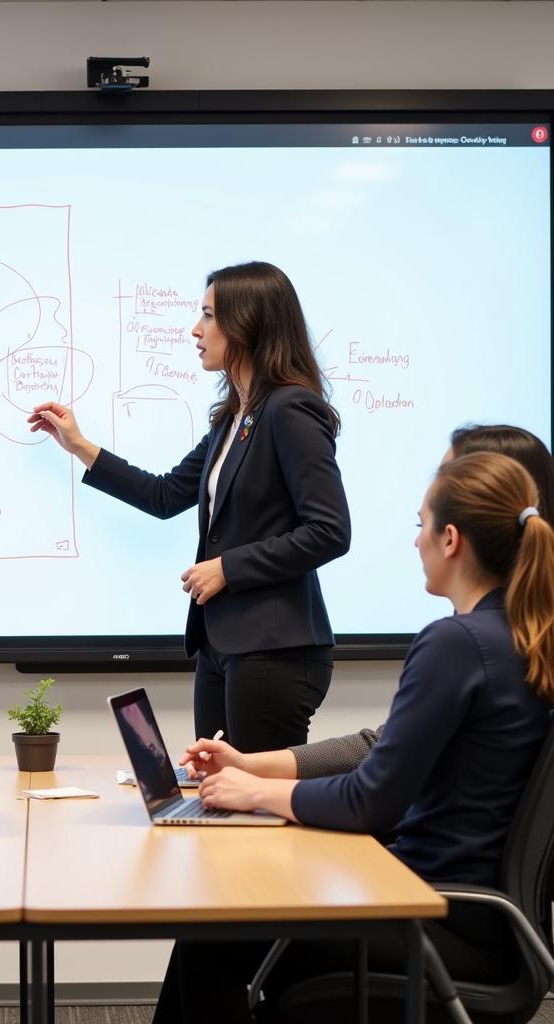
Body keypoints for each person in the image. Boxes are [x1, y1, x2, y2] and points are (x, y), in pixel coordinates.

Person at [156, 451, 554, 1023]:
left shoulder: (457, 644)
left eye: (419, 525)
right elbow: (381, 759)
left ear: (450, 540)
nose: (414, 540)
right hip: (481, 925)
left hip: (431, 918)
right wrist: (252, 767)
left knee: (214, 933)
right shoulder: (520, 636)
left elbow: (371, 798)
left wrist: (252, 793)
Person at [29, 261, 351, 750]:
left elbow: (330, 530)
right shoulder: (234, 418)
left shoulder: (291, 409)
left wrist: (228, 567)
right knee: (216, 796)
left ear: (248, 323)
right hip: (222, 646)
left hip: (275, 648)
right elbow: (164, 495)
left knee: (254, 810)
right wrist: (79, 445)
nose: (195, 330)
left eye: (208, 316)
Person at [250, 423, 554, 777]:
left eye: (447, 477)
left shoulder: (466, 641)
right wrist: (252, 766)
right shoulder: (518, 629)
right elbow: (387, 744)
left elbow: (374, 791)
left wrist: (257, 787)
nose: (433, 492)